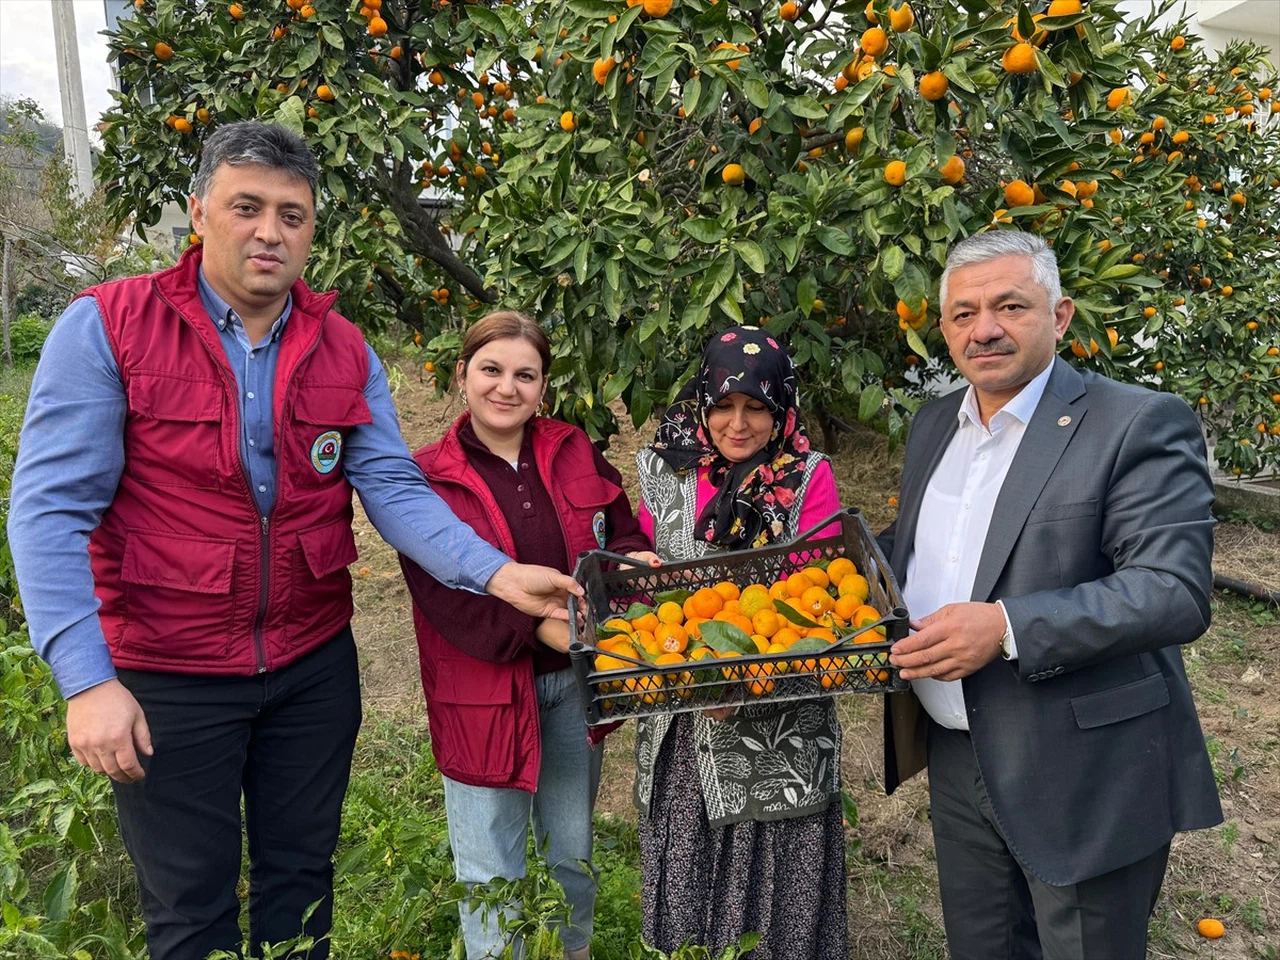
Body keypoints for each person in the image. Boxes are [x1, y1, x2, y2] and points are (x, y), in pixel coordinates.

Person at [6, 122, 583, 960]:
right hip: (171, 672)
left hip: (311, 668)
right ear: (200, 212)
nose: (270, 232)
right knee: (190, 909)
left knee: (302, 888)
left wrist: (495, 574)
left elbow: (390, 485)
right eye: (247, 207)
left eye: (293, 214)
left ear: (313, 229)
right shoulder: (109, 328)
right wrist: (88, 680)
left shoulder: (342, 348)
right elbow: (50, 512)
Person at [879, 230, 1222, 960]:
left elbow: (1172, 591)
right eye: (964, 313)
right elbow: (917, 544)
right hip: (958, 752)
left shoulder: (1135, 421)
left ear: (1060, 316)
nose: (986, 329)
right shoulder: (937, 421)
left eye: (1010, 305)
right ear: (943, 328)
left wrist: (1005, 626)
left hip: (1081, 764)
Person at [398, 311, 657, 960]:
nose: (506, 388)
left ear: (544, 386)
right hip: (482, 697)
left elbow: (618, 530)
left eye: (525, 374)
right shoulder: (426, 478)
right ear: (461, 376)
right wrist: (545, 623)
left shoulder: (572, 448)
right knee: (492, 868)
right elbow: (446, 602)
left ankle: (574, 950)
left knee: (572, 854)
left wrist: (627, 573)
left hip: (572, 689)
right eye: (491, 370)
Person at [632, 325, 847, 959]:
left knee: (772, 905)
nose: (738, 423)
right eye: (724, 405)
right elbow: (640, 576)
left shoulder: (809, 477)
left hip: (780, 725)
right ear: (702, 401)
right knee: (688, 893)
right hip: (680, 719)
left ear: (781, 408)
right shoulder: (663, 470)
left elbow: (827, 604)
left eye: (757, 406)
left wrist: (744, 679)